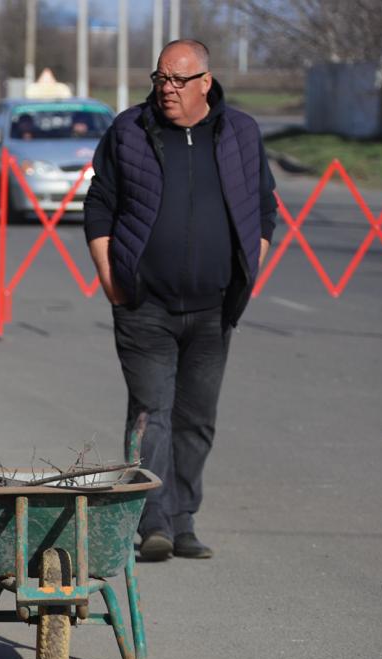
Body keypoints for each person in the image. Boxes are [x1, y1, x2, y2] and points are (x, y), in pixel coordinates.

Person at [83, 39, 277, 562]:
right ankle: (153, 522)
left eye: (177, 80)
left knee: (197, 418)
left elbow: (263, 206)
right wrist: (109, 276)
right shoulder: (130, 130)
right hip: (145, 304)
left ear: (204, 83)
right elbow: (100, 202)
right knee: (152, 413)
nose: (165, 89)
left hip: (214, 308)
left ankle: (184, 518)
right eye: (159, 78)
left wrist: (248, 267)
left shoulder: (240, 133)